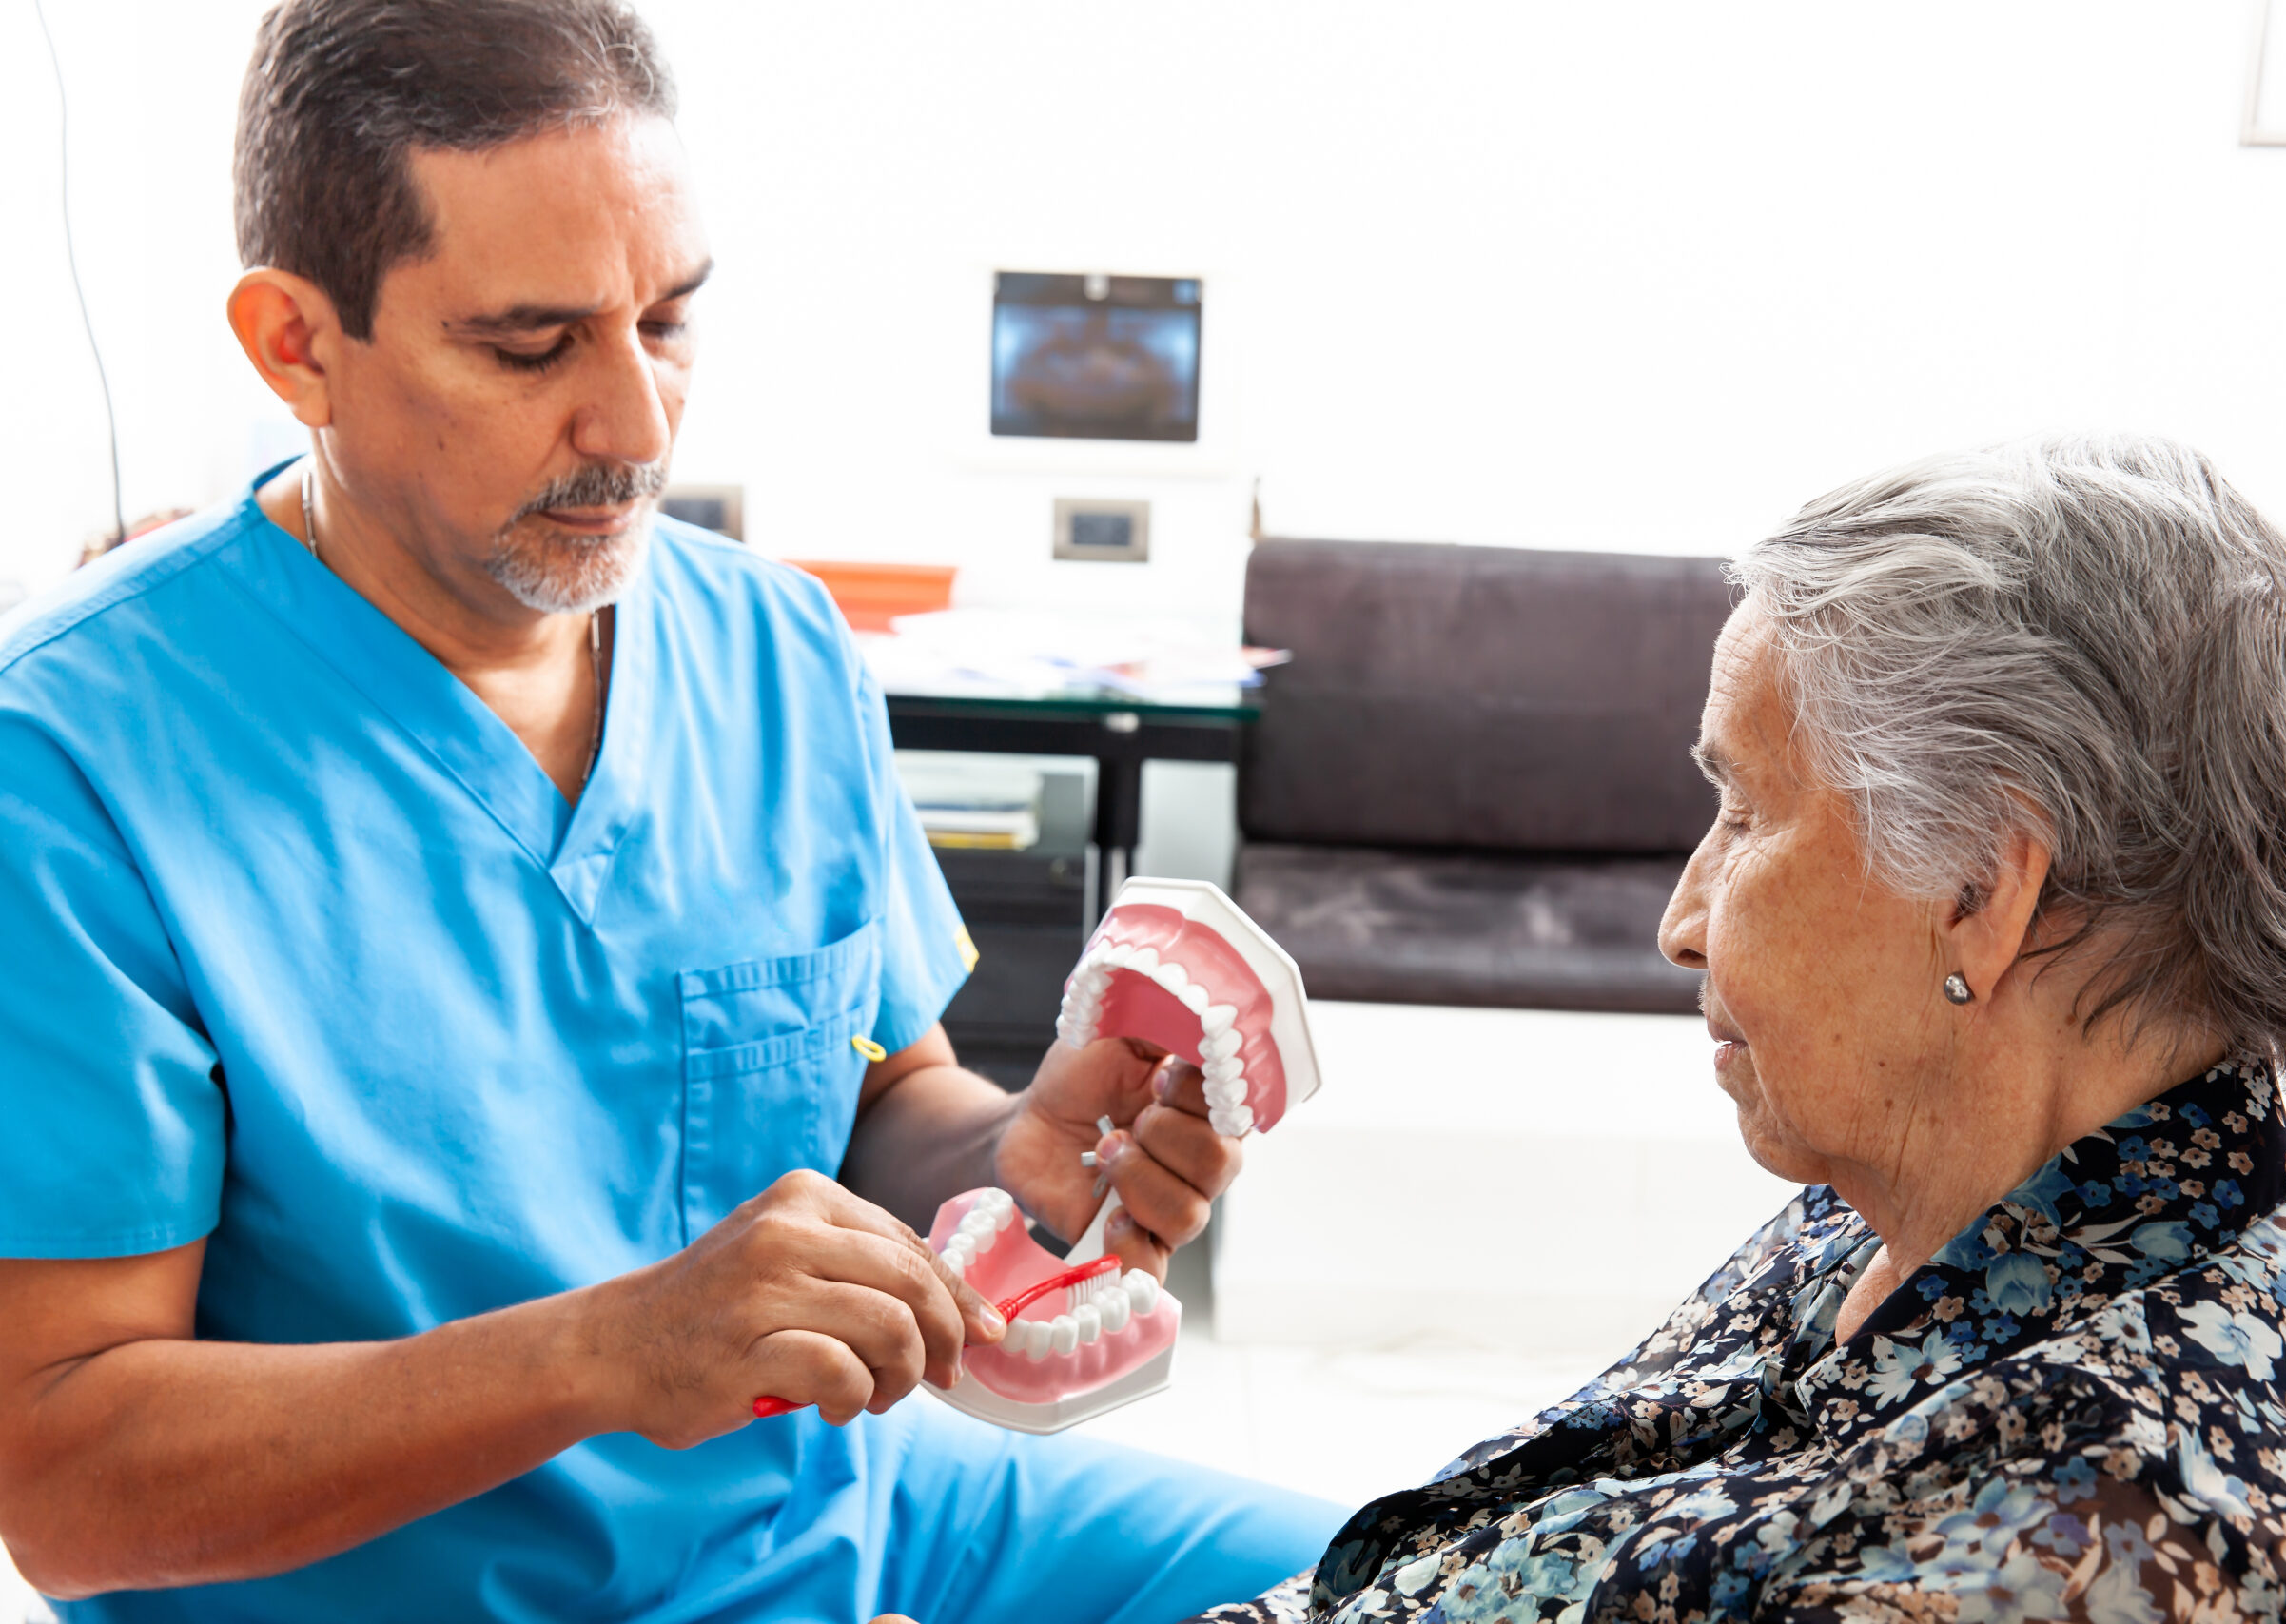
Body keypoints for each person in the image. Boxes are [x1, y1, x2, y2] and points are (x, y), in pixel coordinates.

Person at [0, 3, 1340, 1619]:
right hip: (431, 1593)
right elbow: (64, 1484)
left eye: (670, 322)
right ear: (298, 346)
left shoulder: (772, 646)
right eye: (531, 345)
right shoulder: (73, 764)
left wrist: (1017, 1153)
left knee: (1429, 1581)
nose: (639, 428)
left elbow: (876, 1102)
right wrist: (601, 1354)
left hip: (846, 1508)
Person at [1198, 435, 2286, 1622]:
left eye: (1744, 814)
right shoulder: (1970, 1170)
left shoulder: (2065, 1550)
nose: (1682, 923)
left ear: (1980, 892)